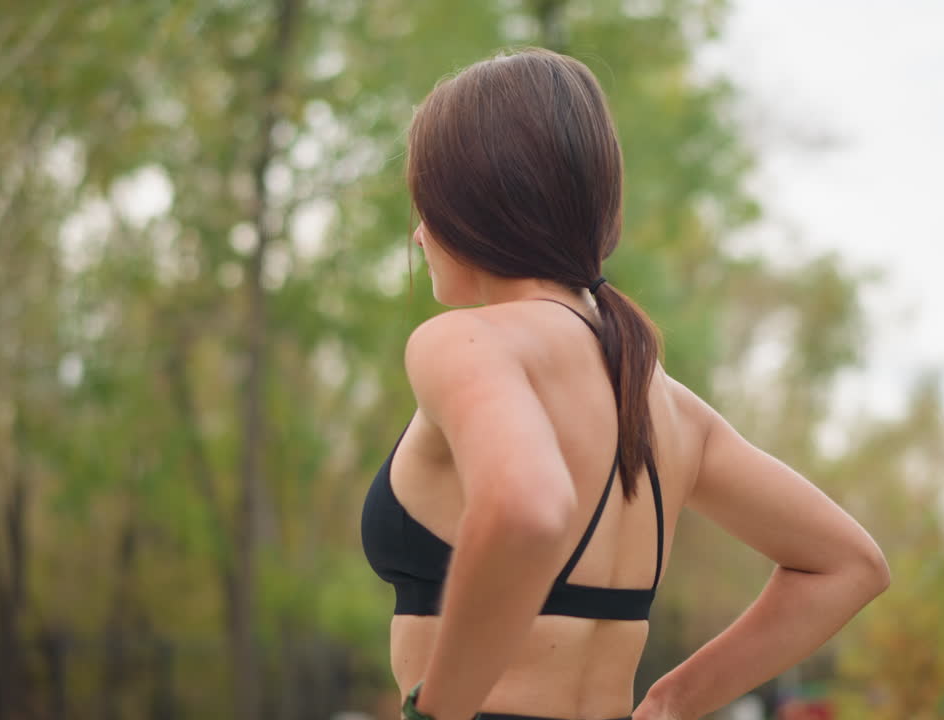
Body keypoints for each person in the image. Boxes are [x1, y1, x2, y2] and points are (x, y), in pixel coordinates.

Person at [360, 47, 890, 720]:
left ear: (474, 204)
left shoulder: (466, 343)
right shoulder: (665, 404)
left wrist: (437, 713)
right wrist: (672, 700)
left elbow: (527, 508)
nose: (417, 234)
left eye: (426, 204)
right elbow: (848, 565)